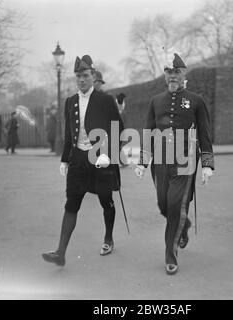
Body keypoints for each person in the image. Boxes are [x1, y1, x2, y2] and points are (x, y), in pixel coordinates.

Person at [134, 53, 214, 275]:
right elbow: (148, 132)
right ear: (165, 75)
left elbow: (205, 134)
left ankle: (171, 254)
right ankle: (184, 226)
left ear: (184, 74)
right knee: (164, 204)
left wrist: (207, 164)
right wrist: (142, 161)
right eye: (169, 72)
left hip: (185, 161)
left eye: (177, 72)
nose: (172, 76)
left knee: (176, 203)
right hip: (160, 161)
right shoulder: (155, 101)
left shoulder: (196, 101)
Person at [42, 54, 124, 266]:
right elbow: (69, 133)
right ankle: (60, 252)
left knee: (106, 201)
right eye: (78, 76)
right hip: (78, 160)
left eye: (85, 75)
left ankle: (108, 238)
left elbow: (119, 129)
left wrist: (109, 153)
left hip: (101, 158)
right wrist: (64, 160)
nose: (82, 80)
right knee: (71, 204)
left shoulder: (105, 100)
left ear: (93, 76)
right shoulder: (70, 102)